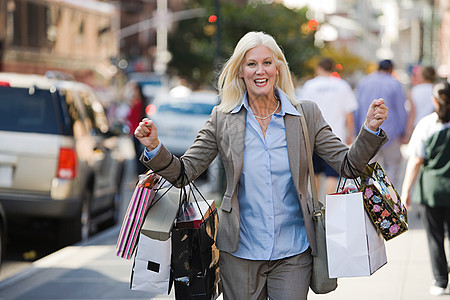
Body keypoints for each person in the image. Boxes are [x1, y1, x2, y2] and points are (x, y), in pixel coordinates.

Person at [134, 31, 389, 299]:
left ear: (278, 68)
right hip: (239, 252)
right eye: (251, 63)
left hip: (294, 251)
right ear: (240, 71)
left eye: (267, 62)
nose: (260, 71)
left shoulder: (305, 114)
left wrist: (369, 129)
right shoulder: (223, 118)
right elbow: (185, 173)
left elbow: (348, 165)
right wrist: (154, 148)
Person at [401, 81, 450, 296]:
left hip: (431, 191)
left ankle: (440, 280)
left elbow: (415, 160)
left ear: (434, 100)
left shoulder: (426, 124)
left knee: (435, 237)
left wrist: (406, 191)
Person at [298, 57, 358, 195]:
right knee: (332, 175)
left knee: (315, 174)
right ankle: (328, 207)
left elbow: (302, 111)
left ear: (319, 68)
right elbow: (349, 113)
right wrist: (350, 134)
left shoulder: (309, 85)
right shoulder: (342, 86)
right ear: (332, 68)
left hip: (313, 136)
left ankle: (316, 207)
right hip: (335, 136)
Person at [354, 59, 407, 187]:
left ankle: (366, 199)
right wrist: (404, 131)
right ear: (391, 69)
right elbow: (401, 109)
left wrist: (357, 131)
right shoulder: (395, 84)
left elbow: (358, 108)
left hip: (368, 132)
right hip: (391, 132)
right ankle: (390, 200)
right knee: (392, 167)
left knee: (366, 168)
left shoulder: (364, 82)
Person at [405, 65, 437, 141]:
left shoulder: (414, 91)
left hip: (417, 127)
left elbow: (412, 114)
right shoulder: (436, 89)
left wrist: (407, 133)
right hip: (434, 127)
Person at [126, 83, 148, 175]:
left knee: (138, 156)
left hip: (137, 132)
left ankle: (140, 176)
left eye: (134, 90)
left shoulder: (137, 103)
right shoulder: (136, 102)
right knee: (138, 156)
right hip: (135, 131)